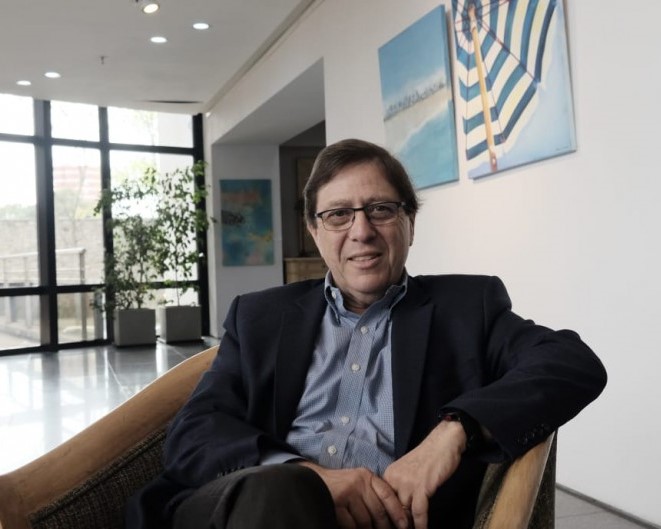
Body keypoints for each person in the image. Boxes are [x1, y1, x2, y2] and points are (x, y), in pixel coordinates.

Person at [127, 138, 607, 529]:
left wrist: (454, 430)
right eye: (338, 214)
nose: (361, 231)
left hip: (390, 520)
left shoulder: (467, 309)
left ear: (409, 223)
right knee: (281, 491)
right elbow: (194, 430)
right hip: (250, 507)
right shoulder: (260, 317)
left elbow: (570, 362)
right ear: (314, 231)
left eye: (379, 209)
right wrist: (307, 476)